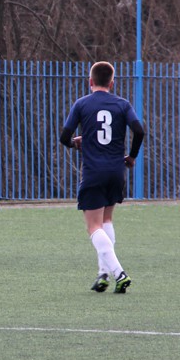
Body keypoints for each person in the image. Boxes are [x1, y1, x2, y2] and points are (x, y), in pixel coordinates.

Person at [60, 61, 145, 293]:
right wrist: (132, 156)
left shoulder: (82, 104)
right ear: (112, 83)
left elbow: (64, 136)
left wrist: (75, 143)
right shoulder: (122, 104)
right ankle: (103, 275)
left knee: (93, 226)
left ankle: (119, 273)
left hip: (94, 172)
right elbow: (139, 131)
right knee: (106, 221)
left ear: (90, 81)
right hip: (116, 171)